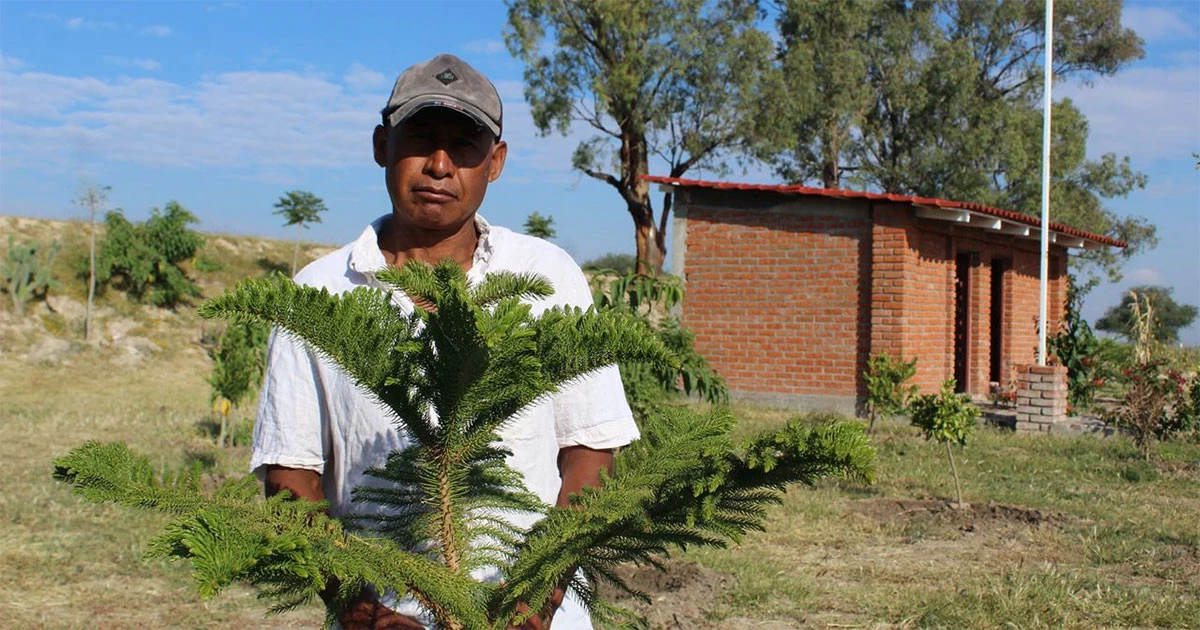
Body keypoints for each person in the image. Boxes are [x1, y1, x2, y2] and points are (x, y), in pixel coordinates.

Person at [250, 53, 637, 630]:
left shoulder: (548, 278)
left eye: (464, 146)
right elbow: (290, 473)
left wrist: (537, 600)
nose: (439, 164)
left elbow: (590, 452)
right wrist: (365, 615)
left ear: (496, 163)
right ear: (381, 145)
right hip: (386, 613)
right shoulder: (319, 294)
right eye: (421, 138)